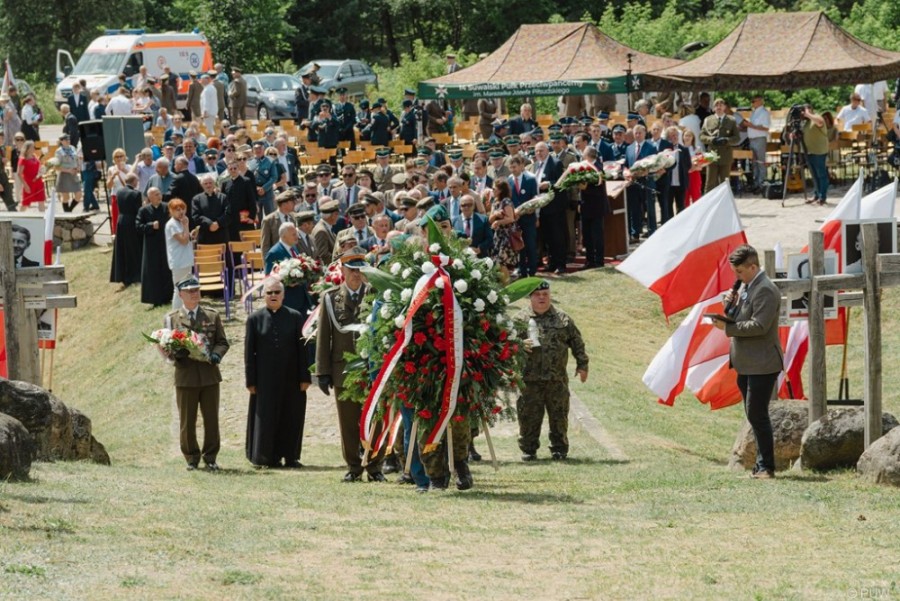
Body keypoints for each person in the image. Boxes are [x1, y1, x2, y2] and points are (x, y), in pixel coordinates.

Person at [710, 245, 782, 479]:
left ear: (753, 267)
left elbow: (759, 326)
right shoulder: (749, 287)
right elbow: (742, 319)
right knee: (753, 414)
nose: (736, 277)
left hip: (762, 362)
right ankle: (761, 465)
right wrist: (728, 308)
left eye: (740, 271)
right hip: (746, 362)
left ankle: (766, 467)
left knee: (757, 413)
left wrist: (728, 328)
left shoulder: (765, 290)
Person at [316, 247, 386, 482]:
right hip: (342, 370)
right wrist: (323, 372)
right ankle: (353, 466)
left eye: (359, 269)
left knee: (374, 418)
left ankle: (375, 466)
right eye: (351, 269)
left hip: (371, 368)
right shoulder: (330, 298)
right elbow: (324, 337)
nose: (356, 274)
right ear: (342, 269)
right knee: (347, 420)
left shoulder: (376, 296)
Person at [516, 280, 588, 461]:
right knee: (528, 416)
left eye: (545, 294)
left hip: (556, 379)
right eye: (537, 295)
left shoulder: (562, 319)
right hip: (529, 379)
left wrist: (582, 364)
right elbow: (505, 345)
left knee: (559, 415)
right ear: (530, 297)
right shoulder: (519, 320)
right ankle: (529, 449)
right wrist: (519, 345)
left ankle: (559, 449)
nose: (542, 298)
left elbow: (577, 342)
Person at [245, 278, 311, 469]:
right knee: (265, 417)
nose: (273, 296)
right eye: (269, 293)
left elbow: (302, 349)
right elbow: (249, 353)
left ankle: (291, 456)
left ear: (283, 295)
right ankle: (266, 457)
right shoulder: (254, 319)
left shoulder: (295, 316)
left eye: (276, 292)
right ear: (264, 295)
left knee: (291, 416)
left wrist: (304, 377)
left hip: (291, 378)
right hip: (264, 379)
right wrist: (251, 380)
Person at [165, 276, 230, 471]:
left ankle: (210, 457)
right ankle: (191, 458)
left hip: (209, 375)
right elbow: (166, 347)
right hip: (186, 376)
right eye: (190, 291)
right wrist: (178, 353)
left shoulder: (211, 316)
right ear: (180, 294)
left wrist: (217, 355)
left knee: (211, 419)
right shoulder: (173, 318)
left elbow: (222, 342)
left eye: (197, 290)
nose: (195, 294)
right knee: (187, 420)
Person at [136, 187, 173, 307]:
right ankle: (156, 299)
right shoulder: (144, 210)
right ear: (150, 197)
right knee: (153, 271)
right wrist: (151, 226)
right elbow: (138, 227)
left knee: (167, 269)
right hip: (152, 246)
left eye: (159, 193)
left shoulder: (167, 207)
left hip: (166, 243)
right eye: (156, 194)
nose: (159, 196)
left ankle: (169, 296)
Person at [109, 173, 143, 289]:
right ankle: (135, 275)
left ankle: (123, 275)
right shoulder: (136, 193)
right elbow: (138, 210)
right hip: (132, 222)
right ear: (133, 182)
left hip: (121, 221)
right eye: (136, 181)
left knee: (122, 249)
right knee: (134, 249)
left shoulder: (119, 192)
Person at [699, 98, 740, 193]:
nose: (719, 107)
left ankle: (724, 204)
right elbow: (701, 136)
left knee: (725, 183)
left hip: (726, 155)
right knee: (710, 183)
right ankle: (708, 204)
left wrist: (726, 140)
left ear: (725, 107)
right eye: (716, 105)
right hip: (712, 155)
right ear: (713, 108)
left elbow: (737, 138)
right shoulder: (708, 120)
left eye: (721, 105)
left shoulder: (731, 120)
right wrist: (711, 140)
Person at [579, 146, 608, 269]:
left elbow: (596, 186)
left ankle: (599, 261)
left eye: (583, 155)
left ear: (588, 156)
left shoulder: (598, 168)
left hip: (596, 206)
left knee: (597, 235)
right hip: (586, 205)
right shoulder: (586, 167)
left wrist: (583, 185)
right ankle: (589, 260)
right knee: (587, 235)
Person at [164, 198, 195, 309]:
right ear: (171, 211)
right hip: (179, 261)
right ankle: (175, 315)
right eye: (177, 209)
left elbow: (186, 237)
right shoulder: (172, 224)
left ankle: (184, 312)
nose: (181, 211)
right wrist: (186, 225)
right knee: (179, 290)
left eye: (183, 208)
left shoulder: (180, 222)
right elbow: (183, 240)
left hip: (185, 260)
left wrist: (191, 234)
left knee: (186, 289)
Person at [489, 179, 519, 282]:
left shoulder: (506, 201)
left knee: (501, 261)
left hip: (507, 235)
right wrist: (496, 215)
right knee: (497, 261)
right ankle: (503, 282)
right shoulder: (495, 201)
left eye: (494, 188)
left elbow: (511, 218)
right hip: (498, 235)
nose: (492, 190)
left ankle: (506, 284)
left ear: (500, 190)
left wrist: (498, 222)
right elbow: (490, 219)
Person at [799, 105, 829, 206]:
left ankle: (822, 196)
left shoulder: (817, 117)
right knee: (814, 175)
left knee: (821, 174)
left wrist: (808, 113)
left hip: (819, 151)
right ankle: (816, 195)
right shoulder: (806, 122)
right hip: (809, 151)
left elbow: (820, 122)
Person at [191, 173, 231, 245]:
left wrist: (218, 223)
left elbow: (228, 213)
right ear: (201, 185)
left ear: (214, 184)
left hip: (221, 237)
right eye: (205, 183)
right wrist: (209, 224)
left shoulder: (223, 197)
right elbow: (196, 216)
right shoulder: (196, 199)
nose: (208, 185)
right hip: (205, 237)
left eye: (210, 183)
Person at [746, 95, 771, 191]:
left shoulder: (764, 113)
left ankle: (762, 183)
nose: (752, 103)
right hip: (752, 139)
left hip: (759, 138)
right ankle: (756, 182)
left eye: (754, 101)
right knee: (755, 163)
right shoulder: (754, 112)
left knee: (760, 161)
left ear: (760, 101)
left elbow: (765, 127)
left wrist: (750, 125)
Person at [54, 134, 82, 212]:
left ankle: (69, 210)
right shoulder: (59, 151)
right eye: (66, 140)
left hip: (73, 174)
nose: (68, 141)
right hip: (64, 175)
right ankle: (67, 212)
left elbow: (76, 159)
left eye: (69, 140)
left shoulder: (73, 148)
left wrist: (78, 166)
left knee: (79, 195)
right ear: (61, 141)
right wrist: (68, 170)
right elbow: (56, 166)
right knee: (66, 197)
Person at [16, 140, 45, 211]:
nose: (34, 149)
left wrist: (41, 171)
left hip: (38, 182)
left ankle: (43, 219)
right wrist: (25, 185)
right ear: (27, 148)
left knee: (41, 200)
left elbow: (38, 167)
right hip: (29, 183)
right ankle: (19, 218)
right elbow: (19, 173)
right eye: (32, 147)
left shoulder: (34, 156)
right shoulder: (23, 159)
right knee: (25, 203)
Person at [682, 129, 704, 207]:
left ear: (693, 138)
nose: (687, 137)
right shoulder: (680, 149)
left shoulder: (697, 149)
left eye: (689, 135)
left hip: (694, 175)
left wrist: (693, 168)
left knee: (696, 196)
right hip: (684, 176)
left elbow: (700, 165)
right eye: (686, 135)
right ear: (683, 137)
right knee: (685, 198)